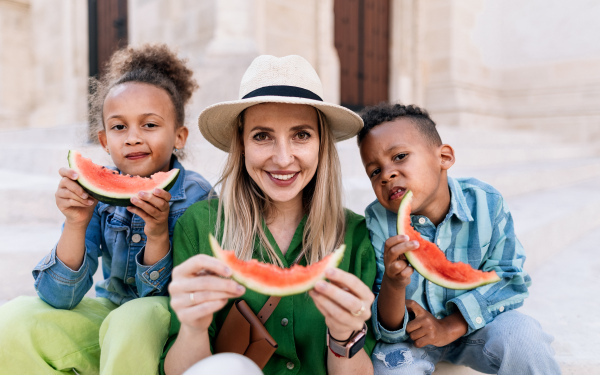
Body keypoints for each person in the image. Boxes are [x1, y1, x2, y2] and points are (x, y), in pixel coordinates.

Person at [0, 44, 212, 374]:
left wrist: (156, 234)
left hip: (172, 328)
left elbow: (176, 297)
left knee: (133, 319)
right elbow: (58, 298)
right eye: (118, 127)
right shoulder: (97, 196)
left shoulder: (198, 198)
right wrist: (75, 222)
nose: (132, 138)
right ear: (103, 141)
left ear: (179, 136)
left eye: (150, 125)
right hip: (111, 313)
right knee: (12, 321)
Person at [160, 55, 377, 375]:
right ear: (242, 144)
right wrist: (192, 328)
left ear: (321, 144)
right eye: (262, 135)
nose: (283, 157)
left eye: (301, 135)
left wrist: (344, 337)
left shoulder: (355, 236)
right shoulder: (200, 225)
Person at [357, 103, 561, 375]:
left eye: (400, 156)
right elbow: (388, 330)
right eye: (374, 171)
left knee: (524, 337)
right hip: (411, 339)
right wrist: (394, 284)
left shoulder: (485, 203)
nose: (387, 175)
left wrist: (451, 325)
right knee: (390, 369)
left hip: (479, 325)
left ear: (444, 157)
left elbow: (510, 279)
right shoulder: (378, 220)